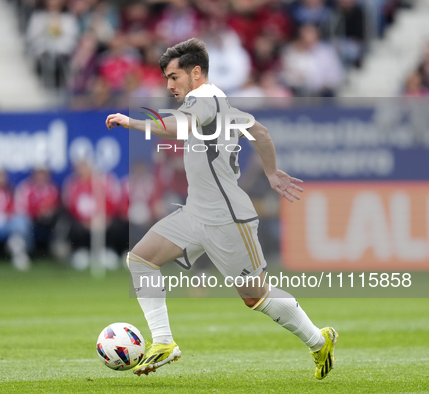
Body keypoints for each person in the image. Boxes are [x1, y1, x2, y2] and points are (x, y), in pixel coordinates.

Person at [105, 37, 337, 379]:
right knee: (141, 259)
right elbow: (261, 132)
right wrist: (271, 172)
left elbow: (178, 125)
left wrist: (133, 123)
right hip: (196, 212)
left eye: (174, 77)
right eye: (167, 78)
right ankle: (164, 342)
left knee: (256, 297)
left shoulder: (206, 99)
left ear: (196, 73)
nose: (169, 85)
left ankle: (319, 341)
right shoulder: (221, 103)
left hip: (228, 219)